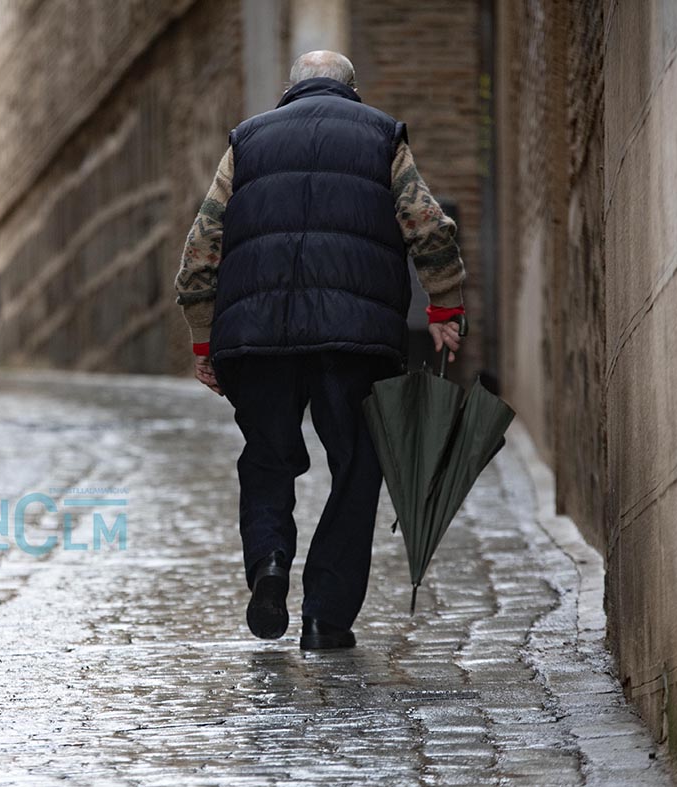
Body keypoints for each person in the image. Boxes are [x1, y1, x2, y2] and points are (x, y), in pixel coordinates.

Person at [173, 51, 467, 649]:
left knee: (267, 458)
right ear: (350, 89)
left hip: (257, 336)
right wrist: (444, 306)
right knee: (358, 465)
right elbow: (427, 223)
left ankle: (270, 564)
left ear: (291, 88)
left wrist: (204, 338)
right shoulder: (382, 135)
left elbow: (202, 245)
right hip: (353, 337)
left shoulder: (247, 141)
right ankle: (325, 618)